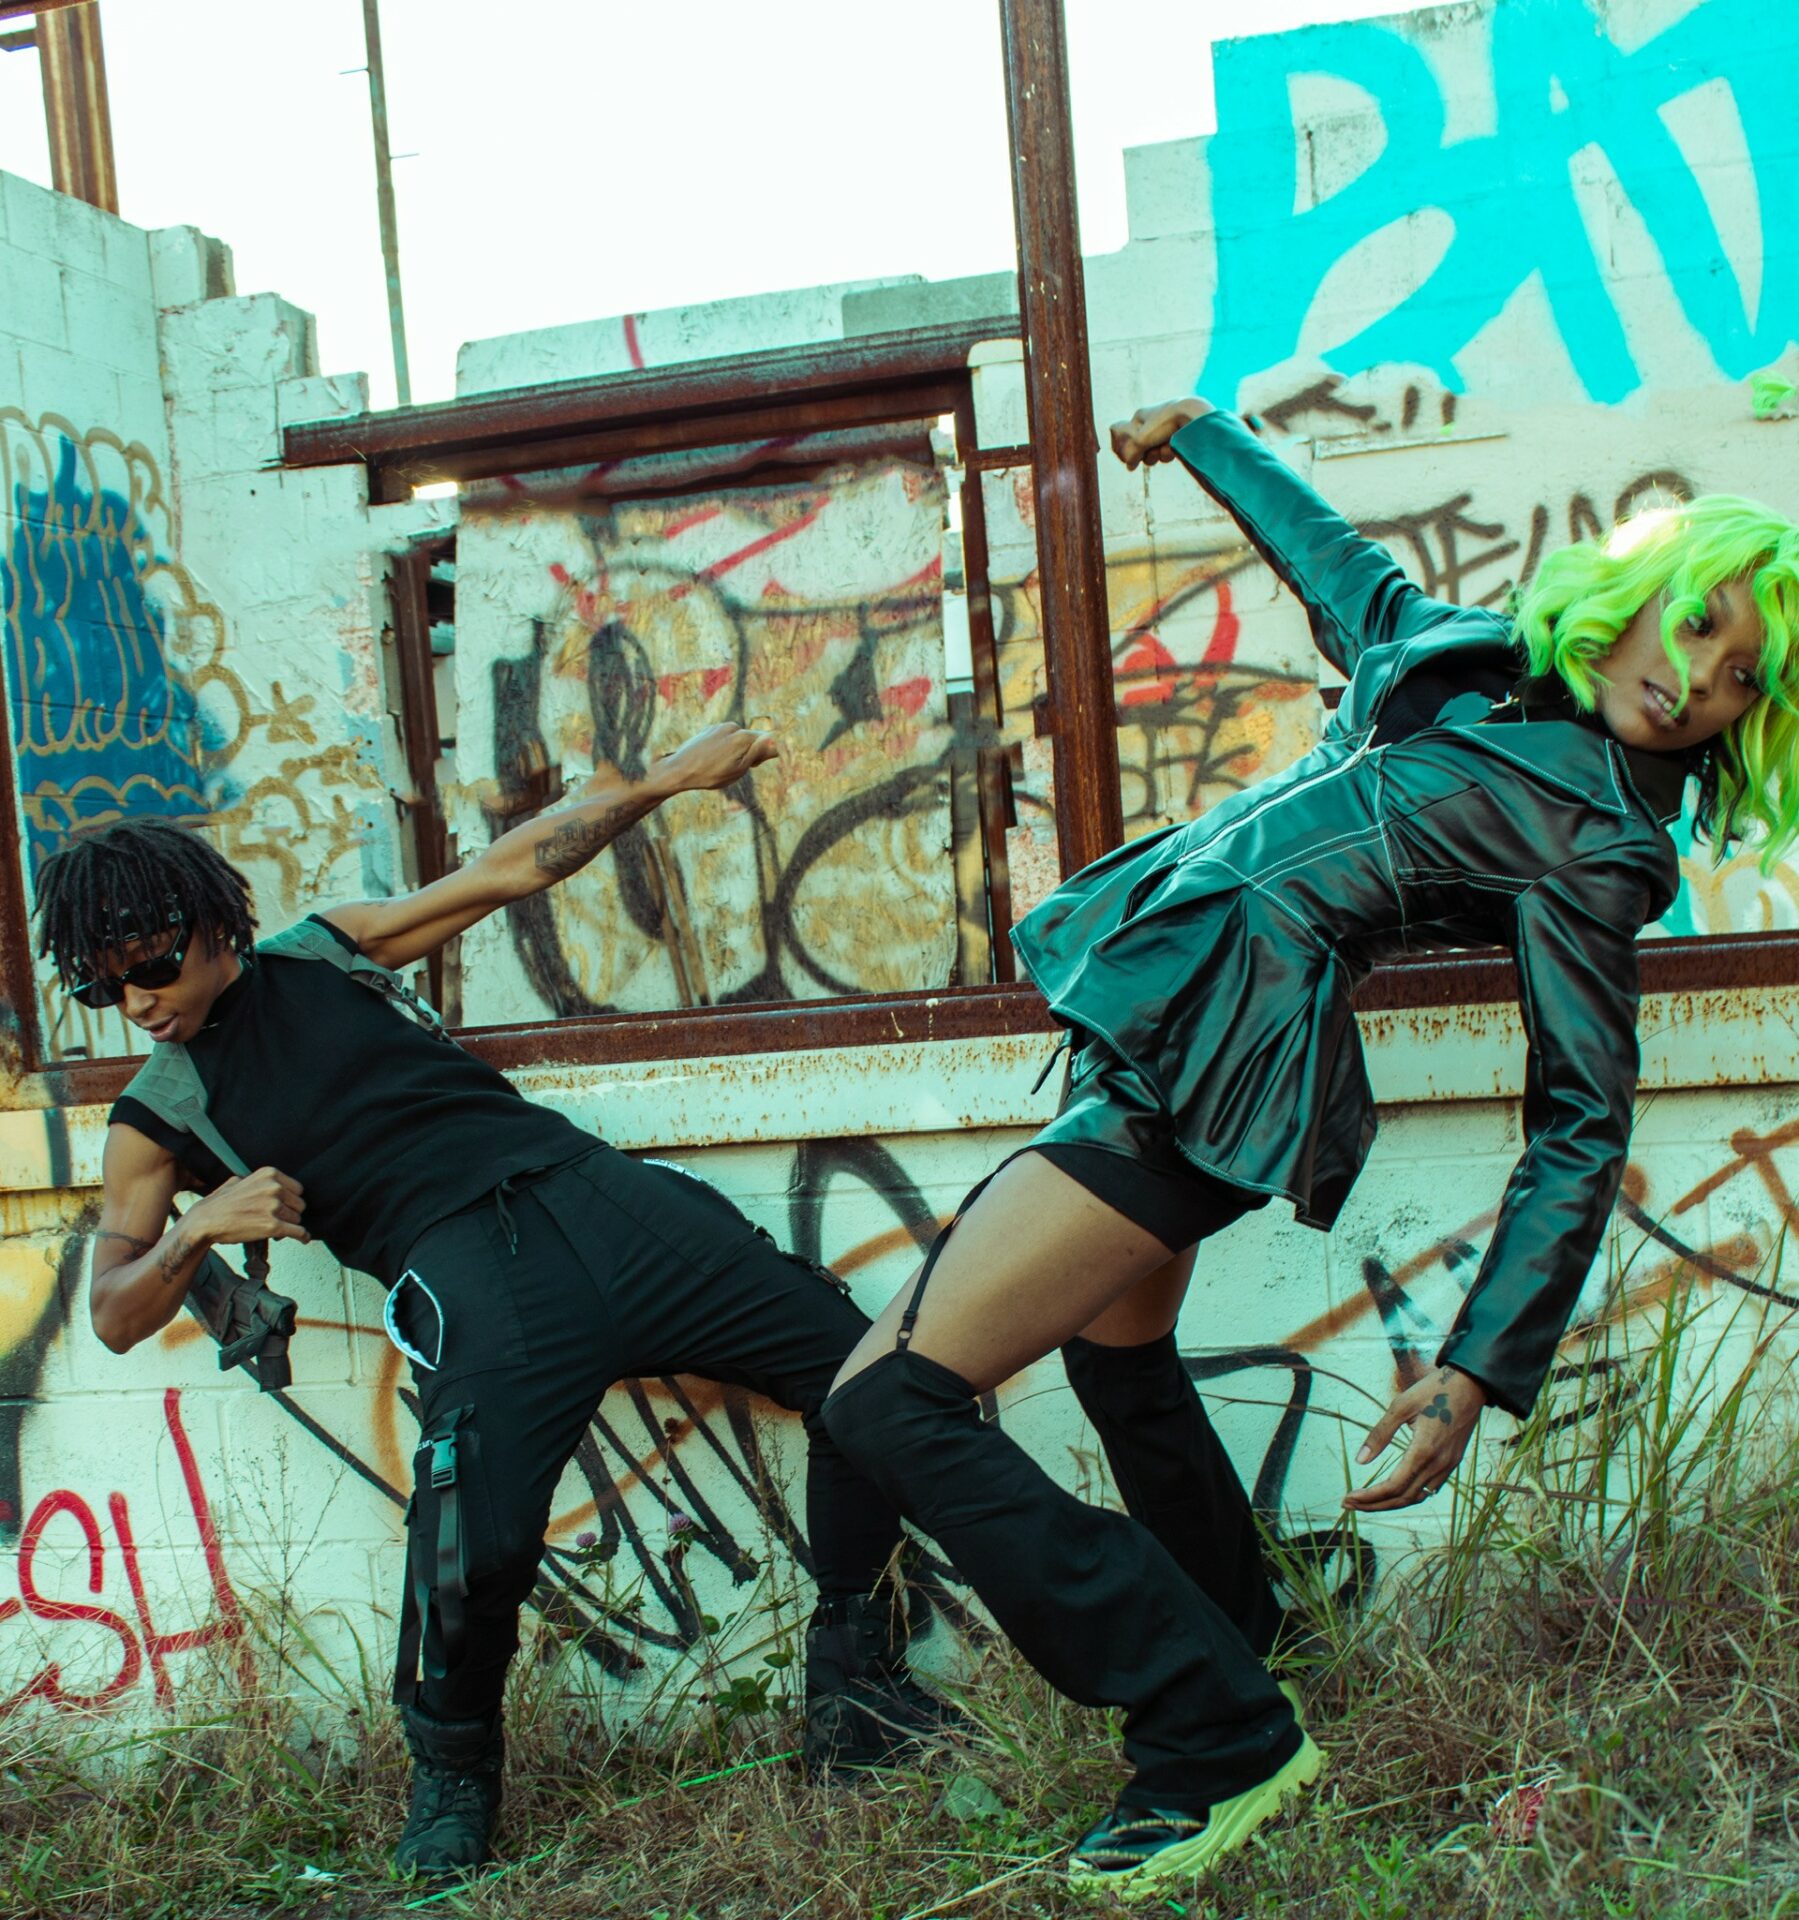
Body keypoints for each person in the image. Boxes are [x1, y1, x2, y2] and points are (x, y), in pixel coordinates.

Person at [820, 395, 1799, 1895]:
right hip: (1158, 1033)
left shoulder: (1597, 839)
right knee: (1118, 1366)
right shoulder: (1449, 653)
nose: (1694, 680)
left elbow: (1578, 1121)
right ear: (1634, 590)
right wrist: (1200, 432)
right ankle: (1255, 1643)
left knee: (885, 1402)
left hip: (1215, 1077)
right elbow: (1328, 555)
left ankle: (1212, 1733)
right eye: (1696, 622)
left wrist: (1475, 1369)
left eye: (1739, 679)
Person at [36, 724, 959, 1880]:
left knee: (862, 1377)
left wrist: (665, 780)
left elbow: (505, 871)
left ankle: (856, 1690)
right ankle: (452, 1783)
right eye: (101, 984)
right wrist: (197, 1227)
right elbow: (113, 1313)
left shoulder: (324, 953)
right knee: (470, 1547)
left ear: (213, 923)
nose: (134, 1001)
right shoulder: (158, 1113)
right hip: (471, 1275)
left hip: (599, 1196)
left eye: (152, 965)